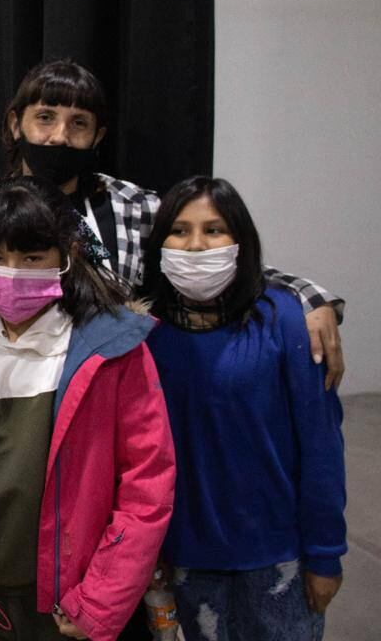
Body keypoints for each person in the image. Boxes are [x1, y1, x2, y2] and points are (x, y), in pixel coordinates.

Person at [0, 59, 347, 390]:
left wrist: (311, 298)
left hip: (115, 396)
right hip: (8, 395)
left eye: (79, 123)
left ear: (98, 136)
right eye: (45, 118)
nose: (59, 137)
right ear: (15, 124)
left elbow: (216, 263)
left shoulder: (137, 206)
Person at [0, 177, 175, 641]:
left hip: (71, 608)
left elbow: (146, 489)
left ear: (66, 256)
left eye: (32, 258)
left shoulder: (115, 350)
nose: (13, 273)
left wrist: (99, 601)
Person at [139, 177, 346, 641]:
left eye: (214, 230)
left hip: (278, 558)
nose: (195, 246)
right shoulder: (142, 332)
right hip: (185, 559)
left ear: (240, 239)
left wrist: (326, 554)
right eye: (179, 230)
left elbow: (320, 444)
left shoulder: (286, 319)